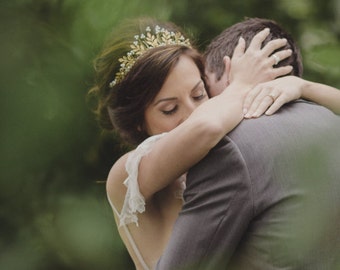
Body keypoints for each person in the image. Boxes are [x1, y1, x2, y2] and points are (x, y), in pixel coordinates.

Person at [88, 18, 340, 270]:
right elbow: (206, 126)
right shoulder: (128, 172)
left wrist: (302, 86)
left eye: (199, 94)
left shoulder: (218, 155)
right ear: (138, 122)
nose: (196, 110)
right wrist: (242, 86)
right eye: (170, 109)